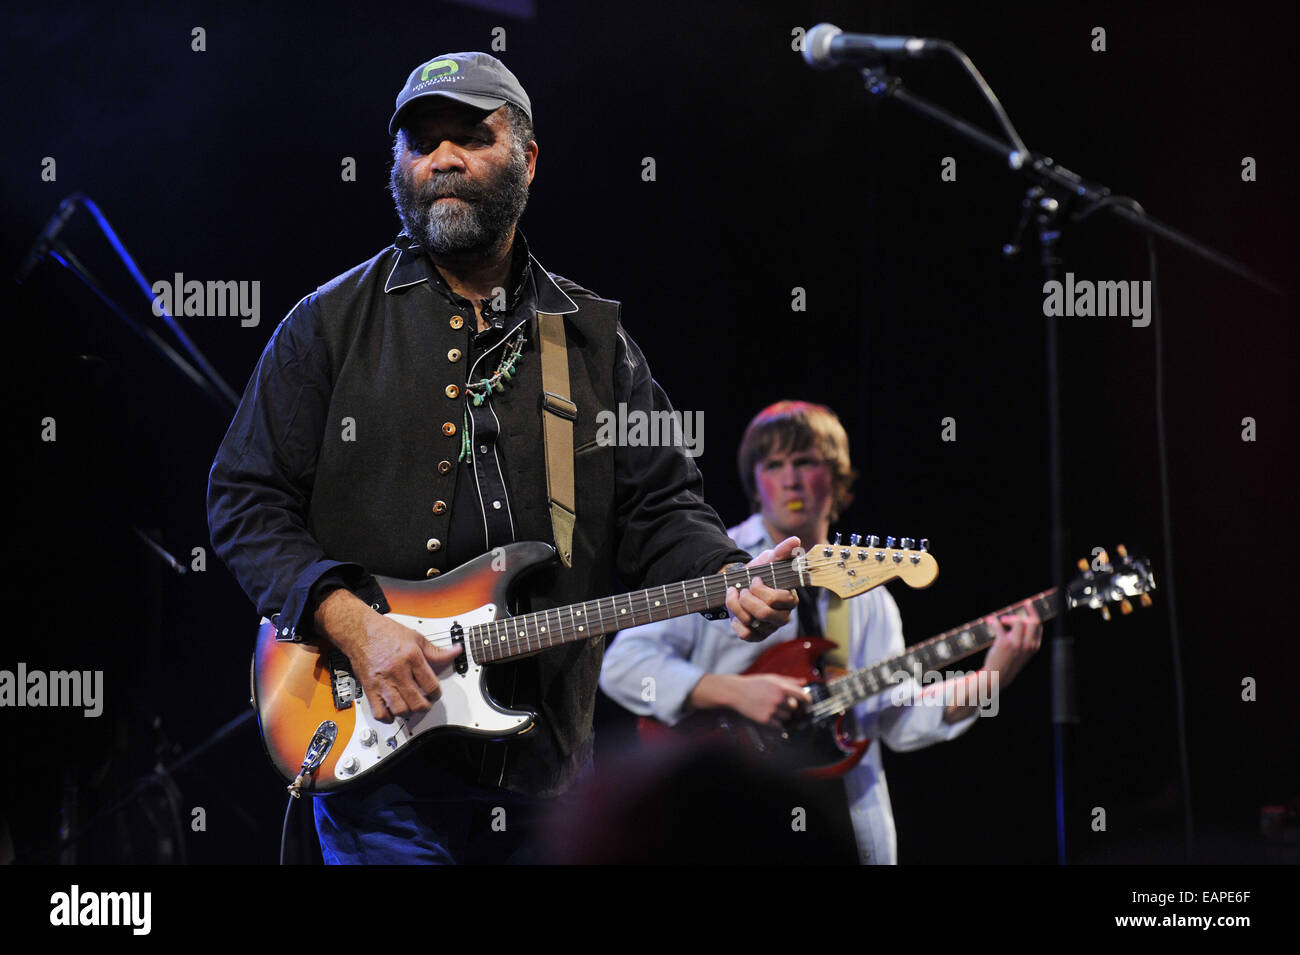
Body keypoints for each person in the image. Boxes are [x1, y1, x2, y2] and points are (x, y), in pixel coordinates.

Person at [206, 51, 797, 864]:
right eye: (421, 143)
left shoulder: (593, 341)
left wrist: (732, 574)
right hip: (381, 775)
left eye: (468, 137)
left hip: (544, 773)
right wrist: (356, 625)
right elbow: (244, 498)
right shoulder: (327, 325)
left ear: (527, 157)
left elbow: (661, 507)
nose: (441, 159)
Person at [599, 400, 1042, 864]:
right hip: (728, 818)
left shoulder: (869, 593)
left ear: (837, 478)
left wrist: (991, 679)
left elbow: (895, 718)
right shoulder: (718, 566)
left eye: (805, 461)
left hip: (837, 828)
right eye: (773, 465)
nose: (790, 479)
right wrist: (734, 692)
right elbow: (624, 667)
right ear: (755, 483)